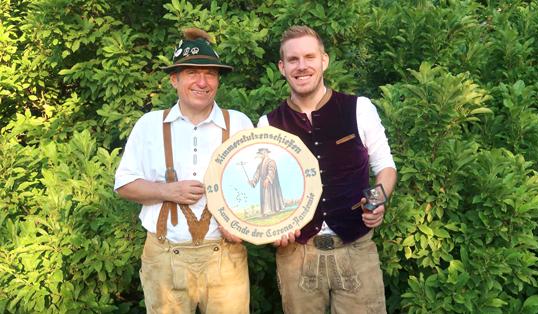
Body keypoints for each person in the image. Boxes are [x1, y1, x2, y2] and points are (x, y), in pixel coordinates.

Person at [257, 25, 397, 313]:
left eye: (309, 56)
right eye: (293, 60)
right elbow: (263, 194)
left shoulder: (359, 108)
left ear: (324, 60)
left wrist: (377, 201)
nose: (302, 66)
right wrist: (272, 228)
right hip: (297, 256)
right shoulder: (267, 124)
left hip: (356, 250)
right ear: (282, 68)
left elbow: (385, 167)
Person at [114, 27, 253, 314]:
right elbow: (124, 185)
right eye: (192, 73)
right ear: (174, 79)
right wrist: (167, 191)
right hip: (164, 259)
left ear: (218, 80)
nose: (202, 82)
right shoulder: (149, 125)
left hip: (226, 258)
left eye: (211, 74)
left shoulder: (239, 123)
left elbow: (259, 189)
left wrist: (244, 223)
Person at [249, 147, 285, 217]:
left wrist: (268, 179)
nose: (260, 155)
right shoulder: (260, 164)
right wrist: (253, 181)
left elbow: (271, 171)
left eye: (261, 153)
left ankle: (274, 210)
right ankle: (266, 212)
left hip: (272, 183)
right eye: (260, 153)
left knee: (272, 195)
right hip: (263, 183)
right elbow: (257, 174)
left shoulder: (271, 161)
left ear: (265, 153)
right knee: (264, 197)